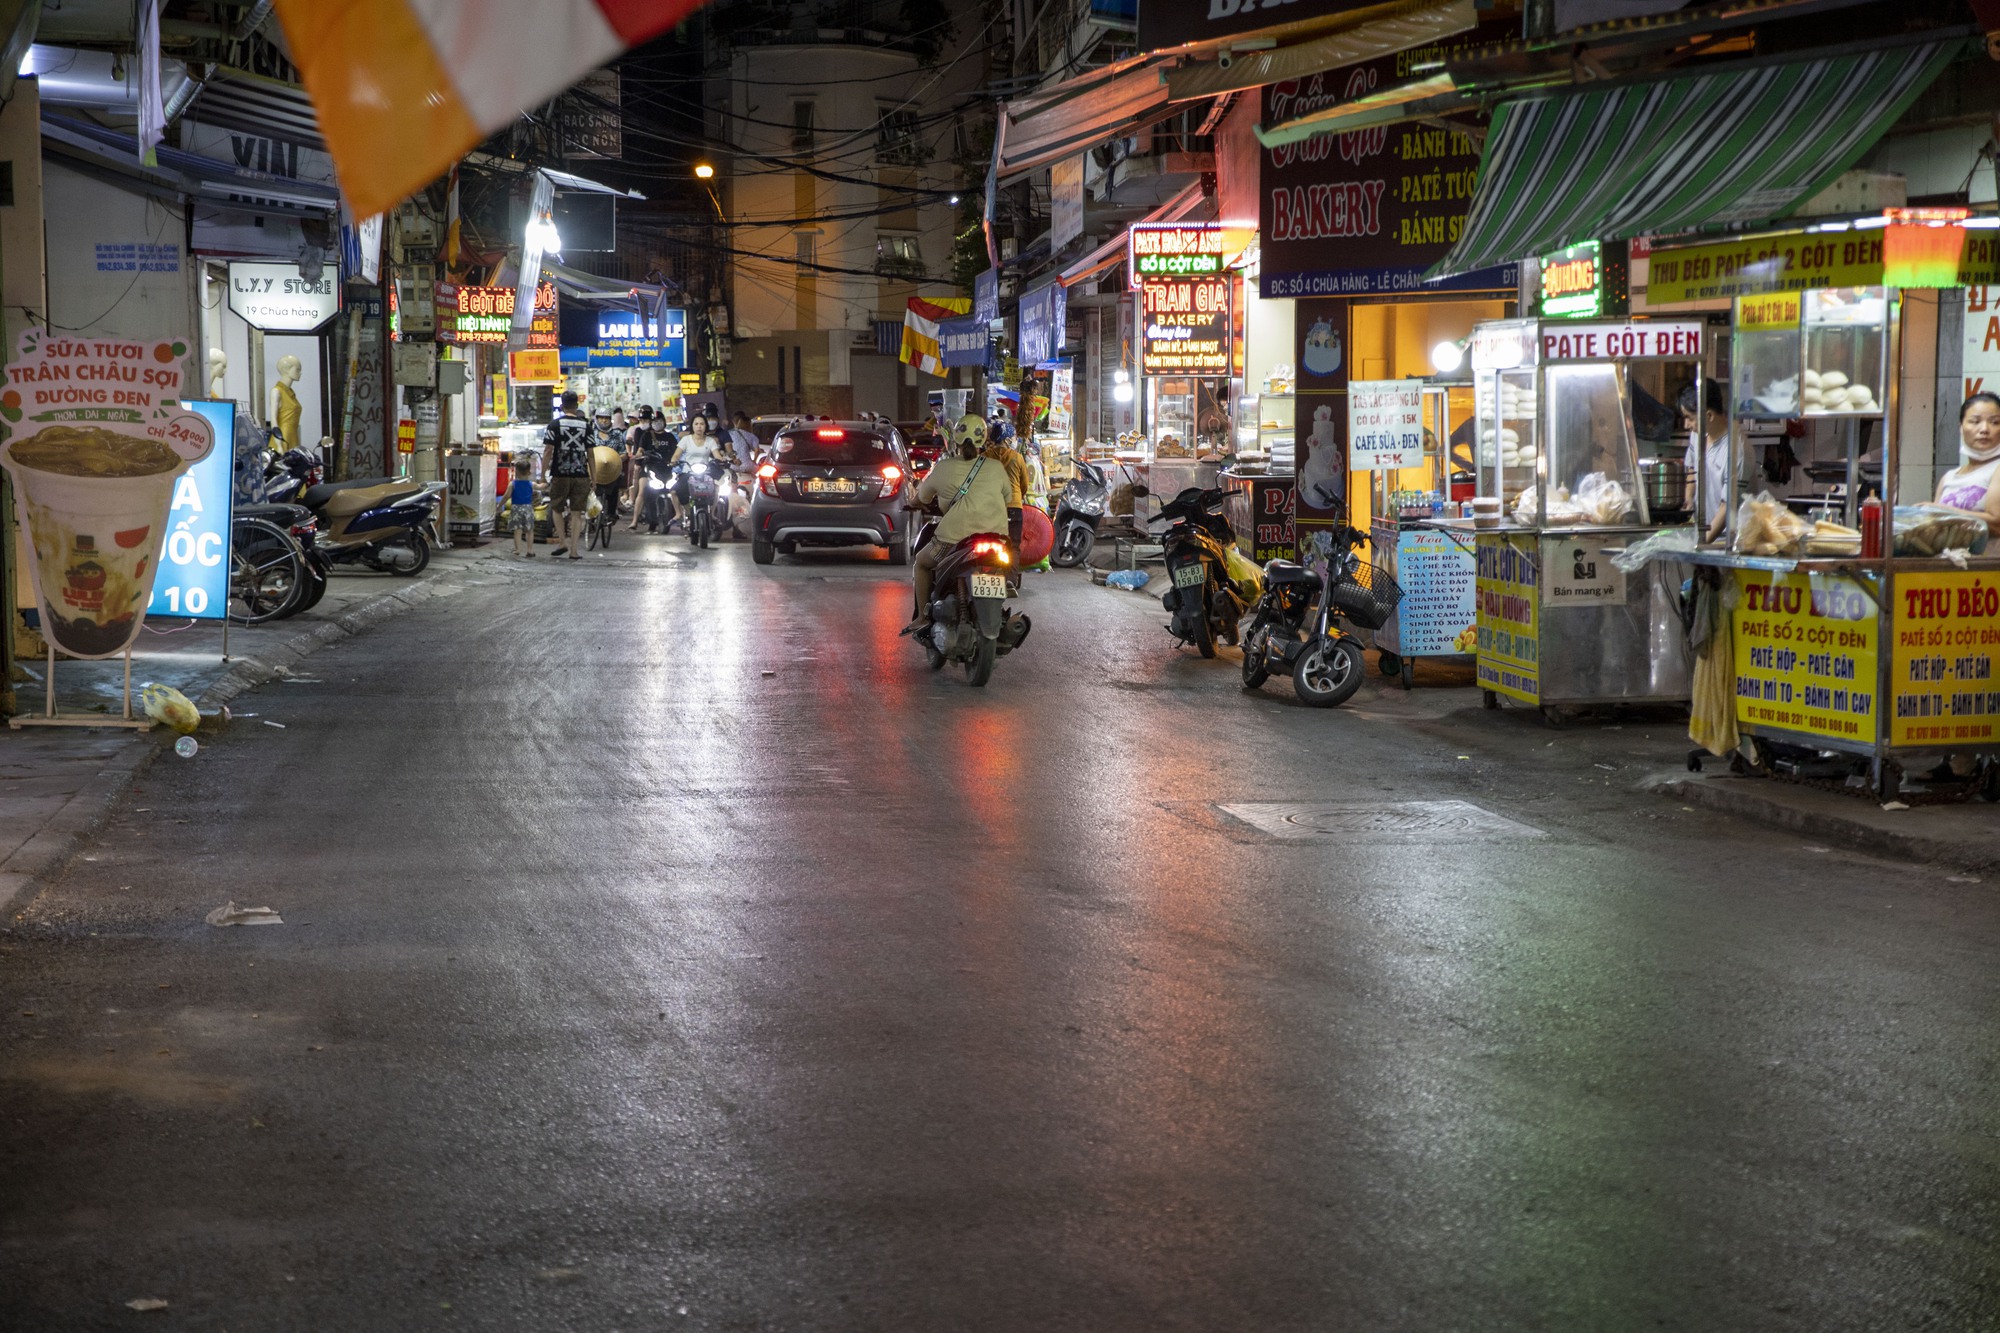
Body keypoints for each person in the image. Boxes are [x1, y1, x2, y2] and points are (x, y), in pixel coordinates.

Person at [908, 414, 1013, 631]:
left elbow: (922, 498)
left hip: (952, 541)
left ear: (955, 440)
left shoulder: (943, 468)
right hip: (997, 539)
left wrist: (912, 502)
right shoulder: (995, 467)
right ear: (984, 440)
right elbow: (1008, 497)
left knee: (921, 562)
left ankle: (922, 618)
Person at [1936, 392, 2000, 533]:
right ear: (1961, 427)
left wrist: (1940, 511)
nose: (1984, 429)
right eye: (1975, 421)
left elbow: (1996, 523)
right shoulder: (1949, 477)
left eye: (1995, 422)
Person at [542, 390, 593, 559]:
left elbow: (548, 450)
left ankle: (562, 542)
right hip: (581, 475)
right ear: (577, 406)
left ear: (562, 406)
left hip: (560, 473)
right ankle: (574, 550)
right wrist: (594, 477)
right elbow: (591, 454)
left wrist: (543, 474)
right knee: (577, 512)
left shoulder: (554, 425)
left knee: (557, 507)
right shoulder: (586, 425)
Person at [1680, 378, 1731, 540]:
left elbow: (1727, 507)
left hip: (1726, 538)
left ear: (1708, 416)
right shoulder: (1697, 435)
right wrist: (1689, 498)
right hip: (1702, 529)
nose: (1686, 425)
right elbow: (1692, 468)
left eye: (1690, 418)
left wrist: (1701, 544)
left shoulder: (1735, 449)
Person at [669, 414, 725, 528]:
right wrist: (674, 460)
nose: (699, 426)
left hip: (706, 472)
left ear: (705, 426)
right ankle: (680, 513)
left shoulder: (710, 441)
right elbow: (676, 455)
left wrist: (722, 460)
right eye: (696, 424)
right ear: (692, 426)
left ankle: (712, 514)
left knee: (716, 489)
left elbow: (717, 455)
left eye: (702, 424)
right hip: (688, 471)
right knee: (674, 491)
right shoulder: (686, 440)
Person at [508, 455, 538, 558]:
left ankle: (518, 549)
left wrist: (500, 505)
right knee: (529, 530)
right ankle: (530, 550)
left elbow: (506, 496)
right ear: (529, 472)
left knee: (517, 530)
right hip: (528, 508)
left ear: (516, 472)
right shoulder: (531, 484)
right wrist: (545, 484)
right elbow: (541, 487)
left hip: (516, 508)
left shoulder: (513, 484)